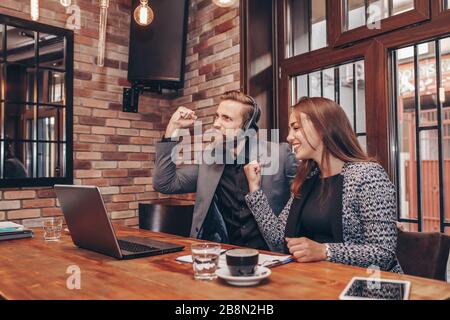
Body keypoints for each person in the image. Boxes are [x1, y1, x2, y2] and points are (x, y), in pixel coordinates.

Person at [243, 97, 402, 272]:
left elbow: (383, 254)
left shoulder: (368, 175)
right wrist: (255, 188)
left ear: (323, 128)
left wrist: (325, 251)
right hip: (320, 282)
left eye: (296, 128)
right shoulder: (307, 180)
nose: (289, 137)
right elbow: (277, 241)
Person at [153, 90, 298, 250]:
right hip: (223, 255)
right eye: (217, 116)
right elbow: (164, 184)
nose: (216, 123)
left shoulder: (281, 155)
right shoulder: (210, 160)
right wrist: (172, 128)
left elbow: (302, 206)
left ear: (247, 127)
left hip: (273, 256)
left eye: (226, 118)